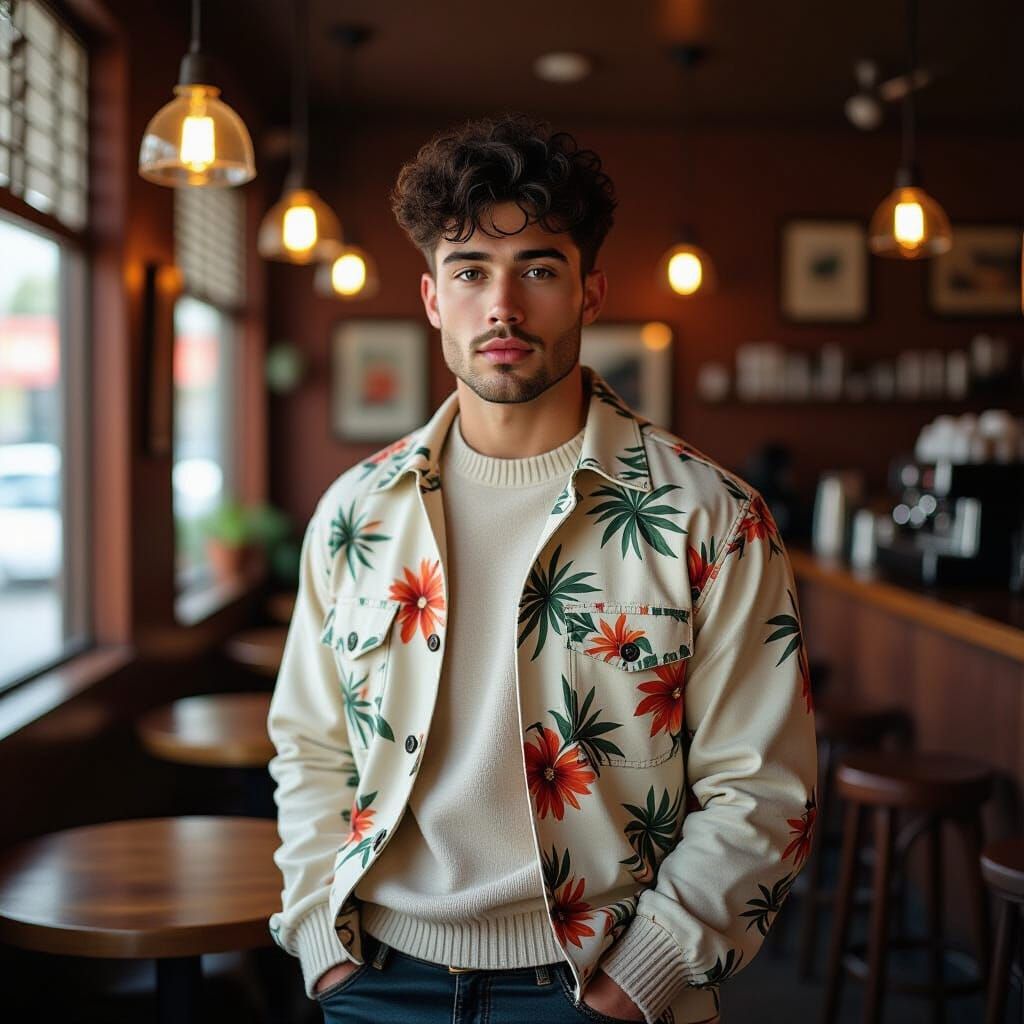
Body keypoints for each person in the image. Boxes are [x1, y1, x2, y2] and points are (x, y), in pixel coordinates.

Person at [267, 114, 818, 1024]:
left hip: (597, 984)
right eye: (471, 271)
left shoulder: (711, 518)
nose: (504, 306)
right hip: (373, 975)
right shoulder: (356, 515)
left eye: (539, 270)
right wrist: (323, 944)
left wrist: (634, 983)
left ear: (590, 292)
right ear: (433, 298)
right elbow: (310, 746)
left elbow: (763, 789)